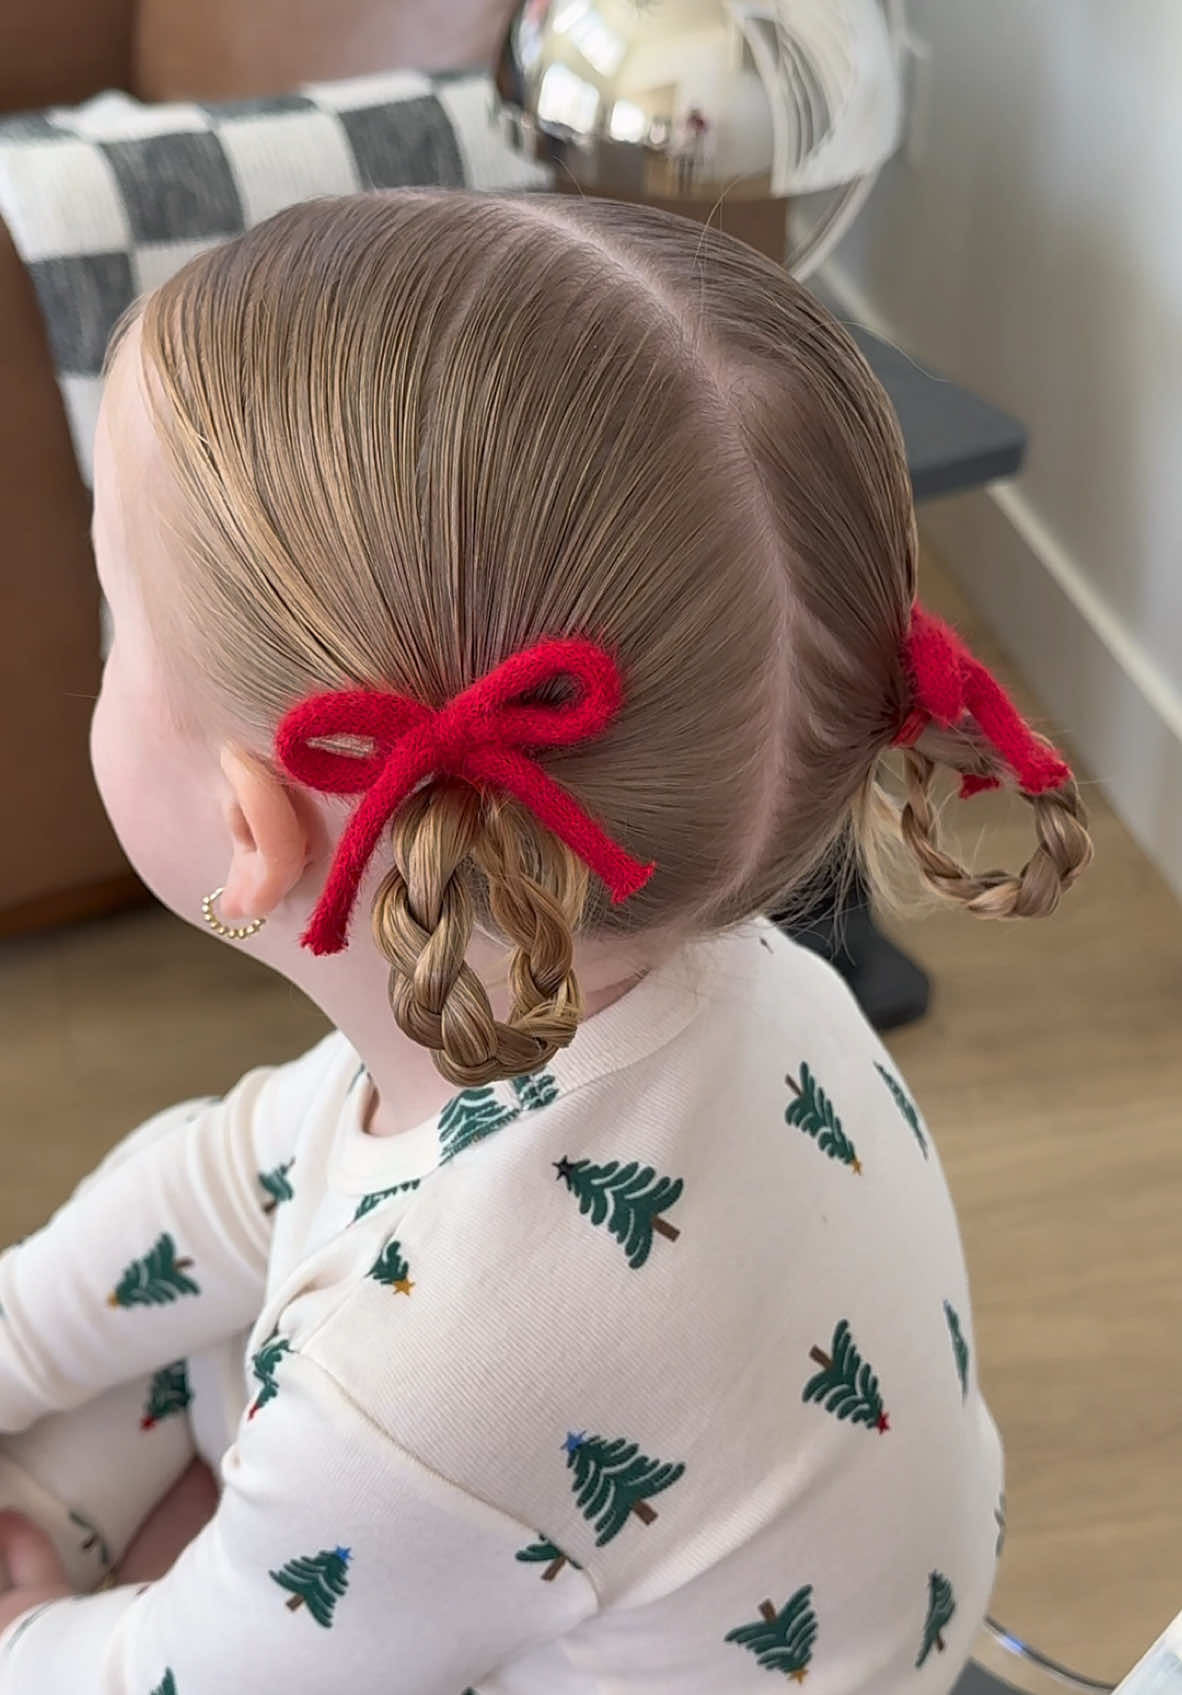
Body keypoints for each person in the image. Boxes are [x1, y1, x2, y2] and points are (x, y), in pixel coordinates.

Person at [0, 191, 1091, 1694]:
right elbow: (256, 1169)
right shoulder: (725, 978)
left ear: (252, 826)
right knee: (155, 1329)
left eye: (120, 612)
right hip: (725, 1547)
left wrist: (33, 1629)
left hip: (526, 1513)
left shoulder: (420, 1381)